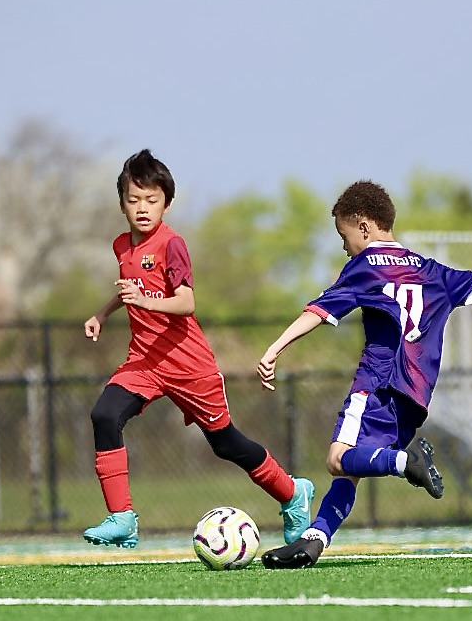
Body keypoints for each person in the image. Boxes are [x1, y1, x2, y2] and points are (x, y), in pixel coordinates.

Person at [255, 180, 472, 568]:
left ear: (364, 226)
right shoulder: (429, 268)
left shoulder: (364, 267)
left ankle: (406, 462)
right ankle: (313, 541)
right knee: (352, 470)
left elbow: (318, 312)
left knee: (339, 458)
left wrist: (274, 348)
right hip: (416, 394)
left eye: (344, 234)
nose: (343, 245)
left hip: (378, 382)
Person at [82, 149, 314, 549]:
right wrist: (102, 313)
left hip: (189, 363)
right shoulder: (121, 246)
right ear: (121, 204)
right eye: (134, 200)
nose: (142, 208)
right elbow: (131, 288)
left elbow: (186, 301)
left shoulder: (172, 245)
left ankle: (293, 494)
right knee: (104, 415)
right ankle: (123, 517)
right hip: (144, 360)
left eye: (152, 200)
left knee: (225, 444)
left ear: (166, 203)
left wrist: (146, 302)